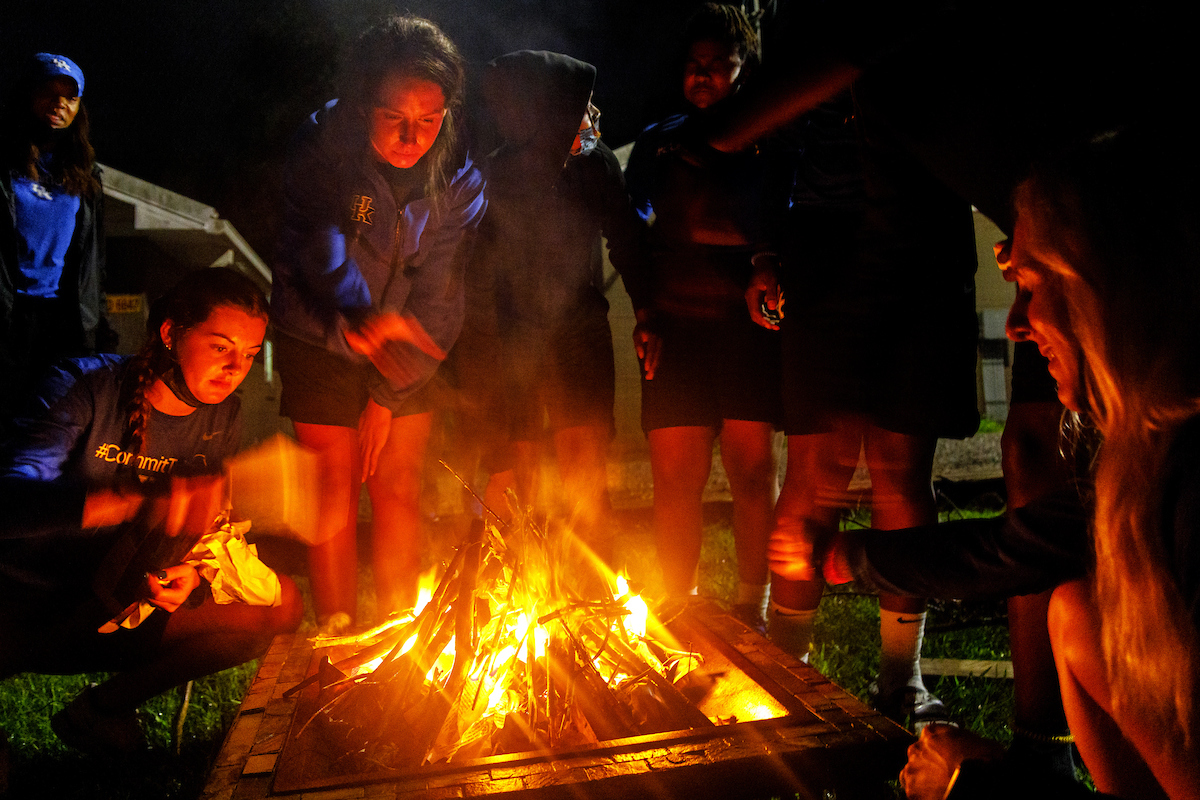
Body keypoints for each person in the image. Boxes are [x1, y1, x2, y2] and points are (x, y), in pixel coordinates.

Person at [770, 128, 1200, 799]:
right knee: (1076, 615)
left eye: (1030, 287)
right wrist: (847, 557)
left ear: (1100, 285)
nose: (1015, 325)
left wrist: (974, 781)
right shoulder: (1158, 449)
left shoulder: (1188, 495)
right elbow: (1010, 549)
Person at [0, 267, 303, 755]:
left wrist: (185, 574)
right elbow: (10, 503)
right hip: (26, 604)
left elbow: (196, 527)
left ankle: (99, 711)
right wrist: (127, 501)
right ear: (170, 333)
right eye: (220, 347)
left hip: (112, 605)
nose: (235, 369)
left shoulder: (222, 415)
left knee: (278, 606)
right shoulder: (86, 386)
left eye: (248, 355)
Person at [270, 15, 486, 631]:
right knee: (334, 493)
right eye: (394, 116)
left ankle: (397, 636)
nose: (412, 135)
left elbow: (442, 291)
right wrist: (362, 318)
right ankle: (338, 637)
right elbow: (320, 246)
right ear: (366, 101)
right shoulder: (324, 145)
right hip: (317, 331)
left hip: (406, 342)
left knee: (397, 483)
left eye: (430, 118)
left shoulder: (459, 173)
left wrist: (390, 392)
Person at [623, 3, 784, 627]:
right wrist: (646, 308)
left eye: (719, 65)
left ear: (744, 71)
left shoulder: (768, 139)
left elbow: (785, 216)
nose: (704, 76)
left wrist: (766, 260)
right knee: (674, 480)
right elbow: (630, 227)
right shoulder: (660, 142)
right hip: (675, 331)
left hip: (747, 330)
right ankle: (674, 609)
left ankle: (754, 607)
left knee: (751, 472)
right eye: (694, 65)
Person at [446, 50, 642, 549]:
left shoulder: (592, 164)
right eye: (583, 106)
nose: (592, 117)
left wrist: (652, 311)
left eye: (590, 105)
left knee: (586, 472)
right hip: (513, 339)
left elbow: (627, 239)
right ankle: (517, 592)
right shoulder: (493, 176)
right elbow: (477, 280)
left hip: (580, 331)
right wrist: (482, 371)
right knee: (515, 471)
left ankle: (593, 594)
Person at [1, 53, 108, 439]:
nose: (60, 102)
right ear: (27, 95)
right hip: (8, 316)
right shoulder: (3, 162)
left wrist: (99, 327)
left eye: (70, 97)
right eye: (49, 91)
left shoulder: (85, 172)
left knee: (53, 428)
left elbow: (94, 261)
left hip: (61, 321)